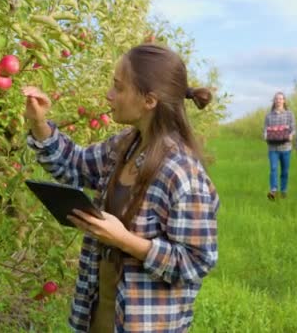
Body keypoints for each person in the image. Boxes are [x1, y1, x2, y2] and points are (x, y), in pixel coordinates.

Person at [23, 44, 219, 332]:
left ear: (149, 100)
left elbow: (196, 261)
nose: (109, 95)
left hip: (146, 321)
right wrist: (39, 124)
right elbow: (75, 166)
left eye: (118, 87)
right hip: (102, 313)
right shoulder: (124, 145)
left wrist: (124, 240)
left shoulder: (182, 174)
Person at [263, 92, 296, 200]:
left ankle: (284, 191)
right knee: (273, 168)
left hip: (286, 147)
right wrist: (265, 135)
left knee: (285, 171)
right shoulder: (269, 115)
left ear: (284, 101)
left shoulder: (289, 114)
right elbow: (265, 129)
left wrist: (291, 135)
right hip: (272, 147)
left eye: (280, 99)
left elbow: (293, 128)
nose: (278, 100)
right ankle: (273, 190)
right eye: (276, 99)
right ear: (274, 101)